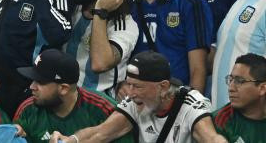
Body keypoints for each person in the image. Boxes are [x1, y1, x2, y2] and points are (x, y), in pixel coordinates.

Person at [52, 50, 225, 143]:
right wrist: (71, 140)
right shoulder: (136, 102)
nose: (130, 92)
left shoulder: (191, 105)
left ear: (163, 86)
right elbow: (100, 134)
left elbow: (211, 138)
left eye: (138, 86)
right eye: (129, 84)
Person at [15, 49, 133, 143]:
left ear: (63, 88)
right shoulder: (27, 110)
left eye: (40, 82)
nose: (31, 87)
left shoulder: (105, 110)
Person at [213, 53, 266, 143]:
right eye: (230, 79)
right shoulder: (220, 120)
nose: (231, 88)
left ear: (262, 88)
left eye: (239, 81)